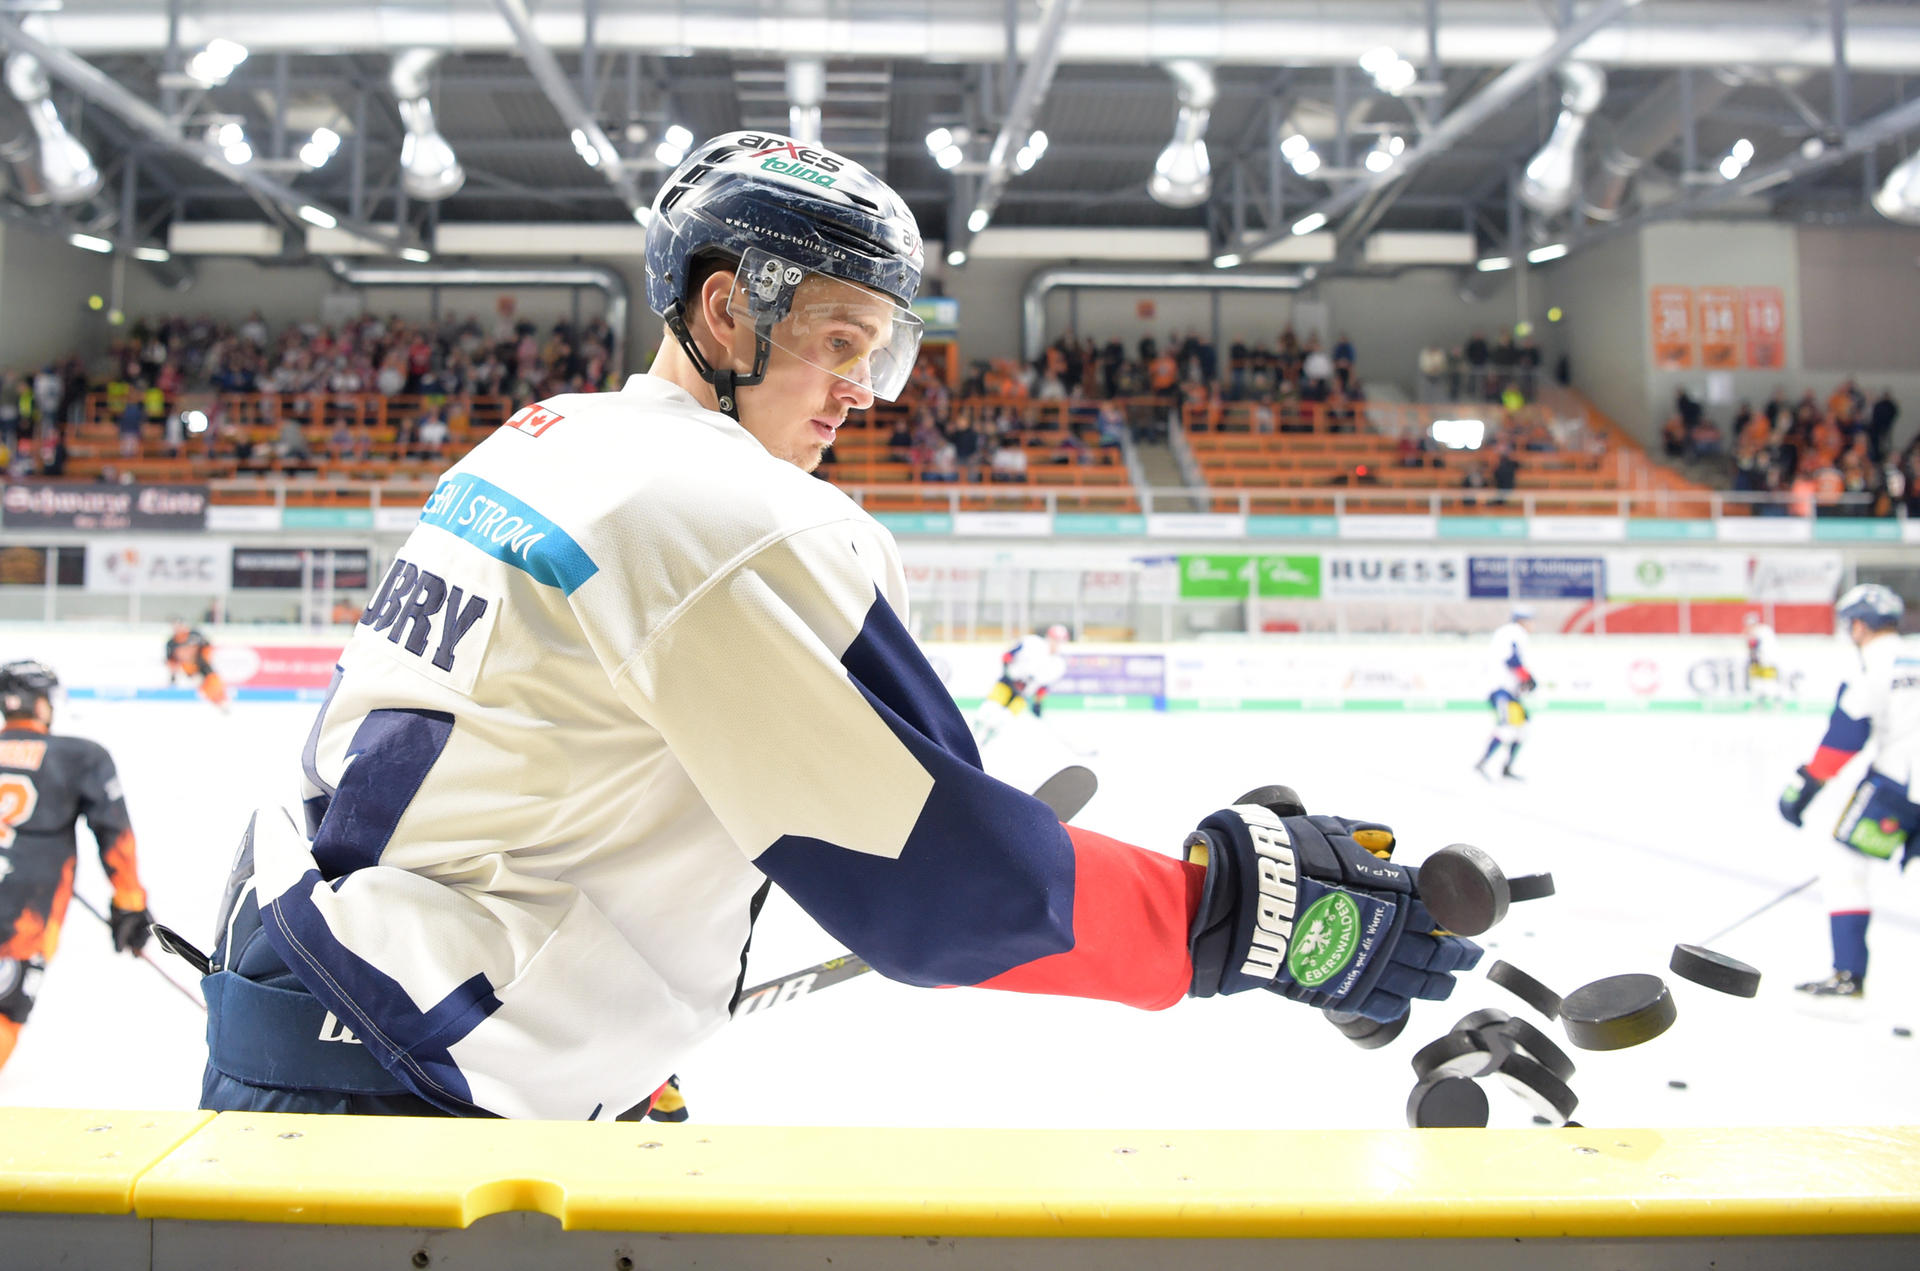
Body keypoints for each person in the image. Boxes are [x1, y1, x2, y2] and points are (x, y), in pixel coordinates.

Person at [183, 131, 1480, 1121]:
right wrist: (1218, 914)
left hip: (309, 993)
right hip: (419, 1079)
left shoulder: (549, 437)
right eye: (840, 339)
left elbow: (527, 774)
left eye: (886, 350)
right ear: (725, 309)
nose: (863, 390)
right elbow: (945, 883)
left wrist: (617, 1048)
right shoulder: (746, 517)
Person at [0, 661, 155, 1078]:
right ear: (40, 703)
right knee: (4, 1012)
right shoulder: (79, 756)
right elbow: (114, 833)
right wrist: (130, 904)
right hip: (22, 911)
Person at [1777, 584, 1918, 999]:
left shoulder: (1873, 666)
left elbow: (1846, 736)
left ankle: (1848, 974)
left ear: (1860, 626)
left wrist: (1803, 789)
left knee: (1844, 864)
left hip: (1899, 786)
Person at [971, 624, 1070, 749]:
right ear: (1048, 637)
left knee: (1001, 721)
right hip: (1007, 683)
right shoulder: (1032, 643)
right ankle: (971, 737)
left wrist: (1038, 703)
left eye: (1060, 641)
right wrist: (1007, 668)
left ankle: (981, 746)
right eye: (1055, 639)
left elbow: (1043, 687)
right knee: (987, 711)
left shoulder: (1059, 664)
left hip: (1023, 694)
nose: (1056, 643)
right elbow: (1008, 655)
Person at [1476, 604, 1537, 780]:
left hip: (1507, 690)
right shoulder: (1514, 633)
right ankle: (1482, 763)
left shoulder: (1508, 633)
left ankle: (1505, 767)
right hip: (1501, 689)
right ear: (1523, 621)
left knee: (1522, 727)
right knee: (1508, 726)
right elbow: (1512, 659)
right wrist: (1527, 678)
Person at [165, 621, 229, 711]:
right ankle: (215, 701)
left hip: (202, 663)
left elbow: (207, 646)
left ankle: (221, 699)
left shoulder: (195, 635)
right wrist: (173, 676)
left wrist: (205, 657)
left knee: (214, 681)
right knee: (203, 687)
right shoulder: (171, 643)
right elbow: (171, 661)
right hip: (189, 668)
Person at [1744, 611, 1783, 708]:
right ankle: (1762, 701)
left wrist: (1758, 657)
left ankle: (1776, 701)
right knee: (1759, 681)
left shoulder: (1760, 632)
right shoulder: (1762, 631)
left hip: (1767, 661)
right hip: (1762, 661)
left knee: (1768, 682)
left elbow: (1757, 647)